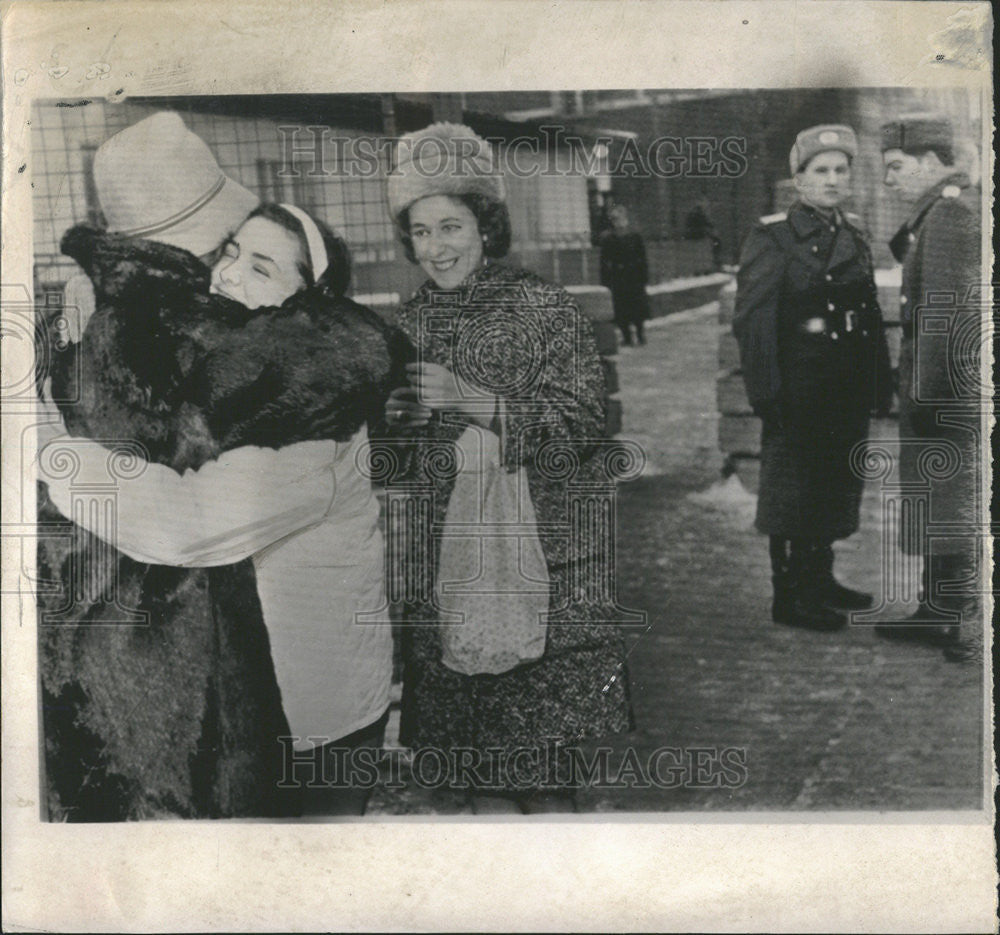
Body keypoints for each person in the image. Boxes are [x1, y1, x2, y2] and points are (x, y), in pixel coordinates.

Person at [37, 112, 405, 819]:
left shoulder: (313, 402)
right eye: (229, 251)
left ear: (308, 298)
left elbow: (189, 521)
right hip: (261, 704)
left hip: (319, 711)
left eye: (261, 266)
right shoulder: (233, 361)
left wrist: (44, 448)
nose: (229, 273)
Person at [382, 123, 634, 814]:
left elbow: (584, 426)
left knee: (542, 776)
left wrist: (474, 401)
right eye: (422, 231)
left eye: (452, 225)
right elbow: (400, 456)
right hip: (449, 576)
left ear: (486, 224)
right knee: (467, 779)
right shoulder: (410, 322)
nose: (437, 247)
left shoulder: (544, 308)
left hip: (538, 570)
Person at [733, 124, 892, 632]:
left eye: (840, 170)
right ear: (798, 180)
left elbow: (866, 312)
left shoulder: (854, 232)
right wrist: (766, 393)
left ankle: (820, 581)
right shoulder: (773, 237)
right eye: (819, 171)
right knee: (792, 492)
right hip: (797, 389)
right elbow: (754, 321)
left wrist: (878, 380)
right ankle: (790, 596)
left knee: (833, 486)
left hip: (842, 387)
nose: (831, 180)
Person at [875, 114, 983, 663]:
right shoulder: (947, 207)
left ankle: (956, 624)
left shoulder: (949, 214)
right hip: (947, 393)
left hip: (944, 396)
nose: (888, 180)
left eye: (896, 167)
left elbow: (945, 315)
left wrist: (927, 394)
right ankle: (939, 612)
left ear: (933, 163)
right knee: (944, 504)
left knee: (952, 504)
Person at [599, 204, 650, 346]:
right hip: (618, 278)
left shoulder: (635, 237)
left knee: (637, 308)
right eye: (614, 219)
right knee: (621, 310)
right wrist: (605, 282)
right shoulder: (608, 239)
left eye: (619, 218)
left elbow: (642, 258)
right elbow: (604, 262)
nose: (617, 222)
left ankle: (640, 334)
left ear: (625, 218)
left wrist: (644, 277)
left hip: (634, 278)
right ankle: (626, 336)